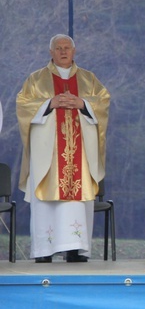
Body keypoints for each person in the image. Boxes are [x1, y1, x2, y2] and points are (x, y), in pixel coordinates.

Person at [16, 34, 110, 263]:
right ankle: (45, 250)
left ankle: (75, 249)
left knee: (76, 203)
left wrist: (83, 104)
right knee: (47, 201)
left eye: (67, 48)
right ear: (51, 52)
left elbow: (103, 101)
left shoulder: (88, 79)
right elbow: (23, 105)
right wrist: (49, 103)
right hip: (48, 153)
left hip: (80, 152)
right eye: (58, 48)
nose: (63, 51)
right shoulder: (36, 79)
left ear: (74, 51)